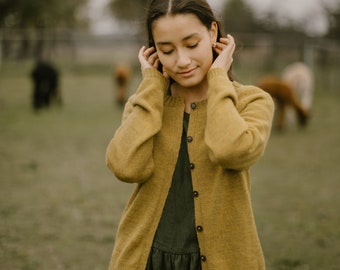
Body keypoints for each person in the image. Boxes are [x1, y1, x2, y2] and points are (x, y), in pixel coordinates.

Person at [105, 0, 274, 269]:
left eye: (192, 45)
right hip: (145, 259)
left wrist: (218, 77)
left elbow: (231, 151)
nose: (182, 61)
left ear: (212, 32)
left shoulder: (251, 101)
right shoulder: (145, 103)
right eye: (167, 50)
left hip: (225, 261)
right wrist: (151, 85)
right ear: (153, 51)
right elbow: (126, 167)